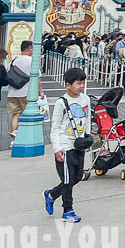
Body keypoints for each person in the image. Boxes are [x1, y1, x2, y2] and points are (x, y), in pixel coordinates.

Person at [43, 67, 90, 224]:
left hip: (79, 145)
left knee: (76, 178)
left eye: (83, 83)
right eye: (78, 83)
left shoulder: (86, 99)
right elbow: (55, 127)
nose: (81, 86)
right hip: (65, 146)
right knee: (68, 180)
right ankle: (67, 211)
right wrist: (57, 148)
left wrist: (87, 138)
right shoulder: (61, 103)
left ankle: (51, 195)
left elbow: (87, 119)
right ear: (68, 85)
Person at [7, 40, 44, 140]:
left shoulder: (14, 61)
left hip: (12, 92)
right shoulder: (32, 61)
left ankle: (14, 135)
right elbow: (37, 78)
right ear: (30, 48)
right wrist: (41, 91)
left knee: (16, 115)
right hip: (26, 92)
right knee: (27, 114)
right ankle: (24, 136)